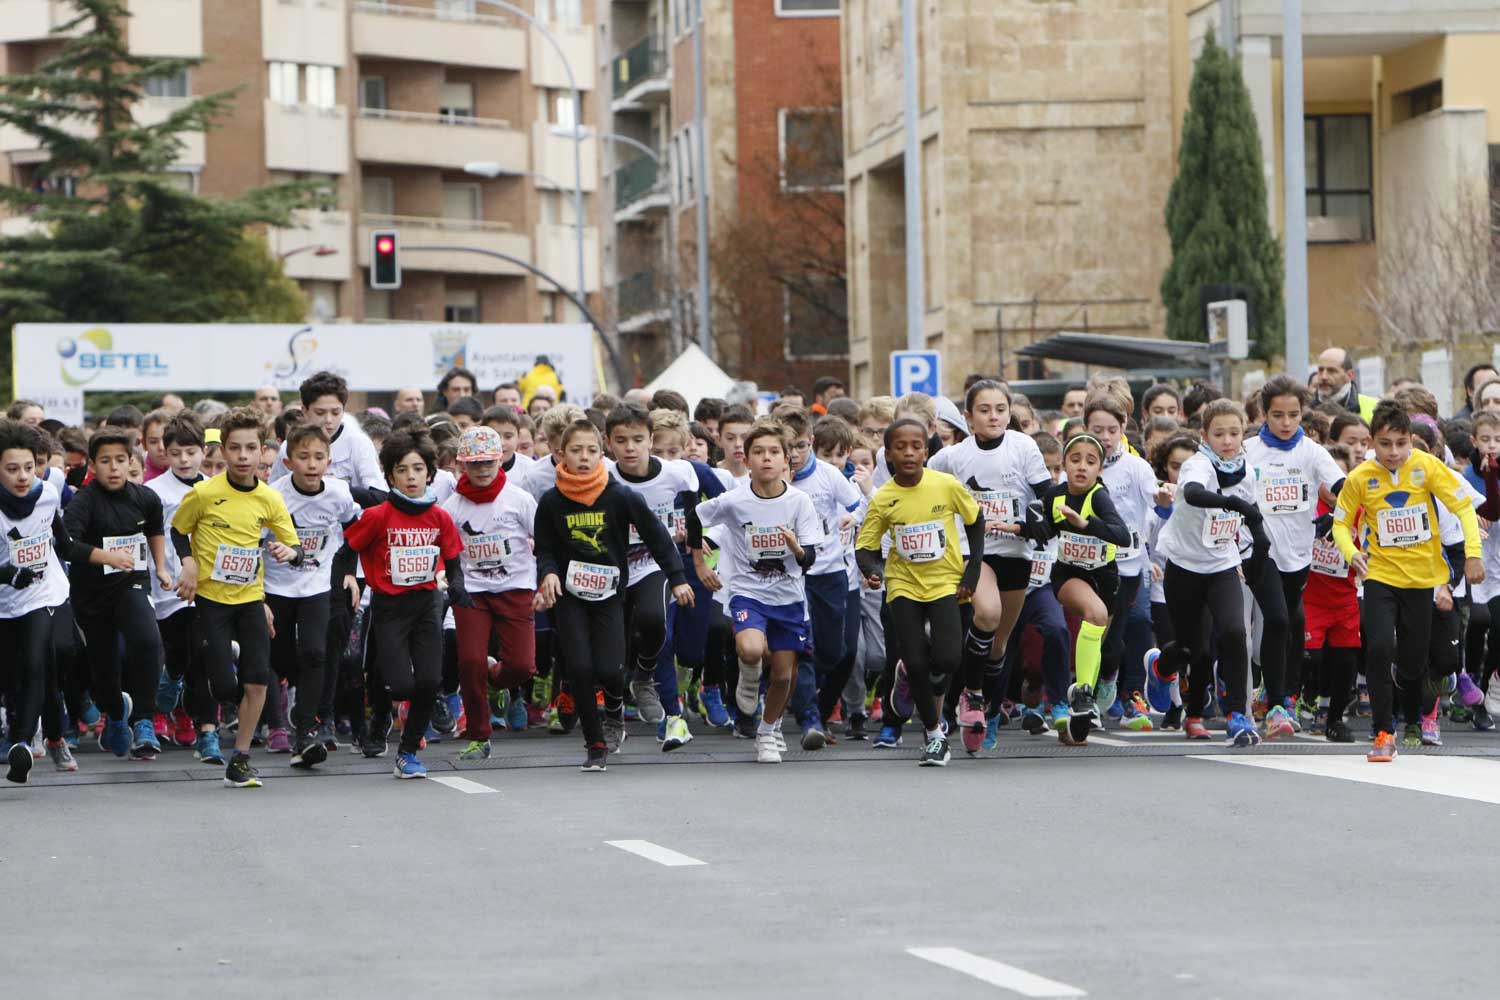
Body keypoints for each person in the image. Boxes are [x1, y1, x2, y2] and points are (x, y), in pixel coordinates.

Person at [534, 419, 692, 771]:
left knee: (610, 669)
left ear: (601, 453)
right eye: (576, 451)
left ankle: (617, 707)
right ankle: (595, 744)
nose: (585, 458)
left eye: (591, 450)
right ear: (561, 454)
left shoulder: (618, 494)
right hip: (570, 595)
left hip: (608, 594)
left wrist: (678, 578)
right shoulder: (551, 500)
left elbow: (656, 536)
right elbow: (544, 548)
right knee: (579, 667)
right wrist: (547, 575)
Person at [1334, 401, 1484, 762]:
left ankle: (1413, 709)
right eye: (1386, 444)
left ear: (1410, 441)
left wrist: (1474, 553)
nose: (1395, 452)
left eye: (1401, 443)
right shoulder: (1360, 477)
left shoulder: (1426, 466)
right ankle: (1383, 732)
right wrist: (1351, 554)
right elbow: (1341, 523)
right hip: (1380, 577)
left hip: (1423, 579)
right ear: (1372, 441)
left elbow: (1464, 506)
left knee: (1413, 663)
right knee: (1381, 646)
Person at [171, 408, 305, 788]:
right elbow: (179, 530)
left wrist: (287, 552)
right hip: (212, 600)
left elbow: (293, 544)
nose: (243, 456)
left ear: (263, 452)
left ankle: (241, 758)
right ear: (223, 451)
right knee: (225, 688)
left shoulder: (269, 498)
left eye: (251, 448)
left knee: (257, 680)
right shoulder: (204, 493)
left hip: (250, 598)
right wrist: (189, 564)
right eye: (235, 448)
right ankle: (220, 676)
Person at [927, 379, 1053, 753]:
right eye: (984, 410)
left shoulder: (1023, 446)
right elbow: (919, 482)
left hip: (1016, 551)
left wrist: (1046, 519)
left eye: (1000, 409)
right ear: (968, 417)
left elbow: (1046, 493)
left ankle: (988, 708)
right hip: (974, 552)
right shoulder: (952, 457)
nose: (994, 416)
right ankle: (973, 695)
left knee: (999, 646)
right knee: (987, 613)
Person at [337, 430, 469, 778]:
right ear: (390, 476)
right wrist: (348, 578)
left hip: (427, 604)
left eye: (418, 469)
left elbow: (453, 560)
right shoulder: (378, 515)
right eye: (402, 470)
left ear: (429, 473)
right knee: (401, 685)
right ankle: (387, 706)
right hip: (389, 608)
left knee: (429, 680)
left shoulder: (439, 517)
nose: (411, 477)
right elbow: (345, 551)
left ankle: (407, 752)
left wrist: (457, 586)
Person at [690, 420, 823, 763]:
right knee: (750, 649)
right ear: (747, 460)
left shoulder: (799, 502)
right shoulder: (735, 500)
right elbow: (695, 517)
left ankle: (768, 730)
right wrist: (700, 564)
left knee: (783, 675)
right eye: (758, 452)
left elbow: (809, 558)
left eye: (774, 452)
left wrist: (796, 549)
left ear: (785, 461)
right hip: (748, 592)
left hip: (789, 597)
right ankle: (749, 674)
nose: (766, 458)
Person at [856, 419, 984, 766]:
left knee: (947, 659)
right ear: (888, 454)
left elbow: (975, 520)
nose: (909, 452)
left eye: (916, 446)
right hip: (903, 585)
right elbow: (865, 547)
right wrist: (873, 571)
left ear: (926, 452)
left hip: (945, 582)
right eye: (901, 447)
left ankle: (912, 680)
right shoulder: (884, 498)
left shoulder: (945, 485)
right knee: (915, 662)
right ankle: (934, 734)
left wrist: (972, 569)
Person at [1152, 399, 1271, 747]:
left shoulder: (1246, 470)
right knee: (1194, 649)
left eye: (1234, 433)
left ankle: (1236, 715)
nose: (1228, 441)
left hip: (1222, 564)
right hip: (1185, 566)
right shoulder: (1198, 465)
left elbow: (1250, 517)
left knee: (1235, 633)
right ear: (1205, 435)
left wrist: (1254, 552)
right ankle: (1165, 674)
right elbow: (1193, 493)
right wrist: (1232, 503)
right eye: (1219, 434)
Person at [1243, 374, 1347, 738]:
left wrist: (1341, 514)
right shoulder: (1248, 450)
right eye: (1277, 415)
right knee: (1278, 620)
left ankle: (1276, 692)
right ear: (1263, 414)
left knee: (1291, 622)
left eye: (1293, 415)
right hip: (1259, 549)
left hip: (1298, 553)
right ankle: (1277, 703)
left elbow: (1341, 487)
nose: (1286, 423)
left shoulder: (1312, 452)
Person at [65, 428, 174, 760]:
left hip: (131, 584)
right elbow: (68, 544)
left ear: (131, 462)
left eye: (120, 460)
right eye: (105, 461)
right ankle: (115, 715)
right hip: (92, 595)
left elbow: (155, 528)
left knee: (147, 639)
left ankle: (143, 720)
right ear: (93, 466)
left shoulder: (145, 498)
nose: (113, 468)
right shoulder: (85, 502)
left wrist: (161, 567)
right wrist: (107, 557)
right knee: (105, 668)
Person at [1022, 433, 1134, 744]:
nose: (1081, 467)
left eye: (1090, 461)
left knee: (1097, 638)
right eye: (1074, 460)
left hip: (1106, 579)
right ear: (1063, 466)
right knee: (1094, 612)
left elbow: (1122, 536)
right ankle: (1083, 693)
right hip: (1069, 575)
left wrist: (1086, 525)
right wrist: (1018, 527)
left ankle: (1077, 717)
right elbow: (1039, 527)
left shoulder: (1098, 497)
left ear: (1099, 468)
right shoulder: (1054, 496)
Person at [263, 423, 364, 768]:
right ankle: (294, 690)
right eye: (303, 457)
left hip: (318, 585)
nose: (311, 464)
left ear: (329, 462)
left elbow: (355, 528)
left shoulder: (338, 493)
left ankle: (305, 733)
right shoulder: (273, 496)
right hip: (276, 587)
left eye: (319, 457)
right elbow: (253, 541)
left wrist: (347, 570)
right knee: (279, 659)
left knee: (316, 653)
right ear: (289, 462)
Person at [605, 403, 701, 746]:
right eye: (621, 440)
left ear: (650, 440)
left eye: (637, 439)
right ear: (609, 444)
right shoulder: (602, 474)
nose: (630, 448)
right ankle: (613, 717)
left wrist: (692, 542)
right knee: (613, 648)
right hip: (610, 571)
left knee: (655, 622)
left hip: (654, 565)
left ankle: (645, 679)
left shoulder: (677, 473)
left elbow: (696, 510)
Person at [441, 426, 539, 762]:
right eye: (475, 463)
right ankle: (479, 735)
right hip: (473, 592)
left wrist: (548, 577)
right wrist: (447, 578)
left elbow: (544, 541)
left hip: (515, 588)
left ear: (500, 460)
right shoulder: (452, 507)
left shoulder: (519, 499)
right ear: (462, 465)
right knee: (469, 662)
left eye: (488, 462)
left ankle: (496, 679)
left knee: (523, 667)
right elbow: (445, 550)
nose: (482, 469)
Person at [0, 420, 88, 782]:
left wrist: (105, 557)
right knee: (20, 677)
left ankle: (22, 744)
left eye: (29, 466)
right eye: (11, 469)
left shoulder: (48, 492)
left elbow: (63, 544)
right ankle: (54, 735)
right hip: (6, 602)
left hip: (45, 592)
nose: (23, 477)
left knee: (40, 658)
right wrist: (7, 575)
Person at [146, 415, 221, 761]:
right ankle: (170, 679)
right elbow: (149, 538)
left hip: (208, 587)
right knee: (180, 654)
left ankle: (208, 732)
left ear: (203, 451)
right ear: (166, 453)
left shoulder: (217, 488)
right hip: (169, 587)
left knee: (203, 655)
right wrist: (160, 571)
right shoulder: (155, 492)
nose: (185, 460)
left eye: (191, 452)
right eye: (176, 454)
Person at [1313, 347, 1377, 421]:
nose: (1324, 377)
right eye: (1321, 370)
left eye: (1331, 371)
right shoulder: (1304, 407)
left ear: (1350, 375)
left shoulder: (1373, 408)